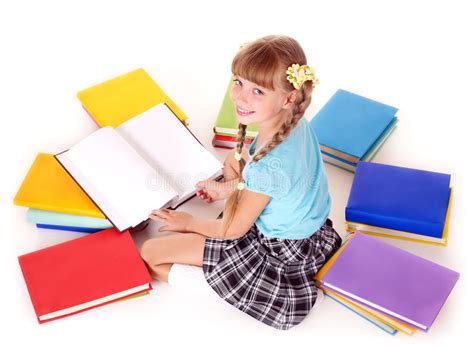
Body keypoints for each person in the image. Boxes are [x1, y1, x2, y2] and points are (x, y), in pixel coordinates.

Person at [140, 35, 342, 330]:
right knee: (232, 162)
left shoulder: (269, 167)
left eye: (258, 90)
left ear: (288, 97)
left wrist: (189, 221)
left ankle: (230, 289)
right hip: (309, 235)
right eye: (239, 82)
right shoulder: (294, 120)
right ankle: (227, 277)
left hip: (276, 251)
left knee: (150, 254)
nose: (241, 97)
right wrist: (228, 186)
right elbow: (268, 184)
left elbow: (232, 230)